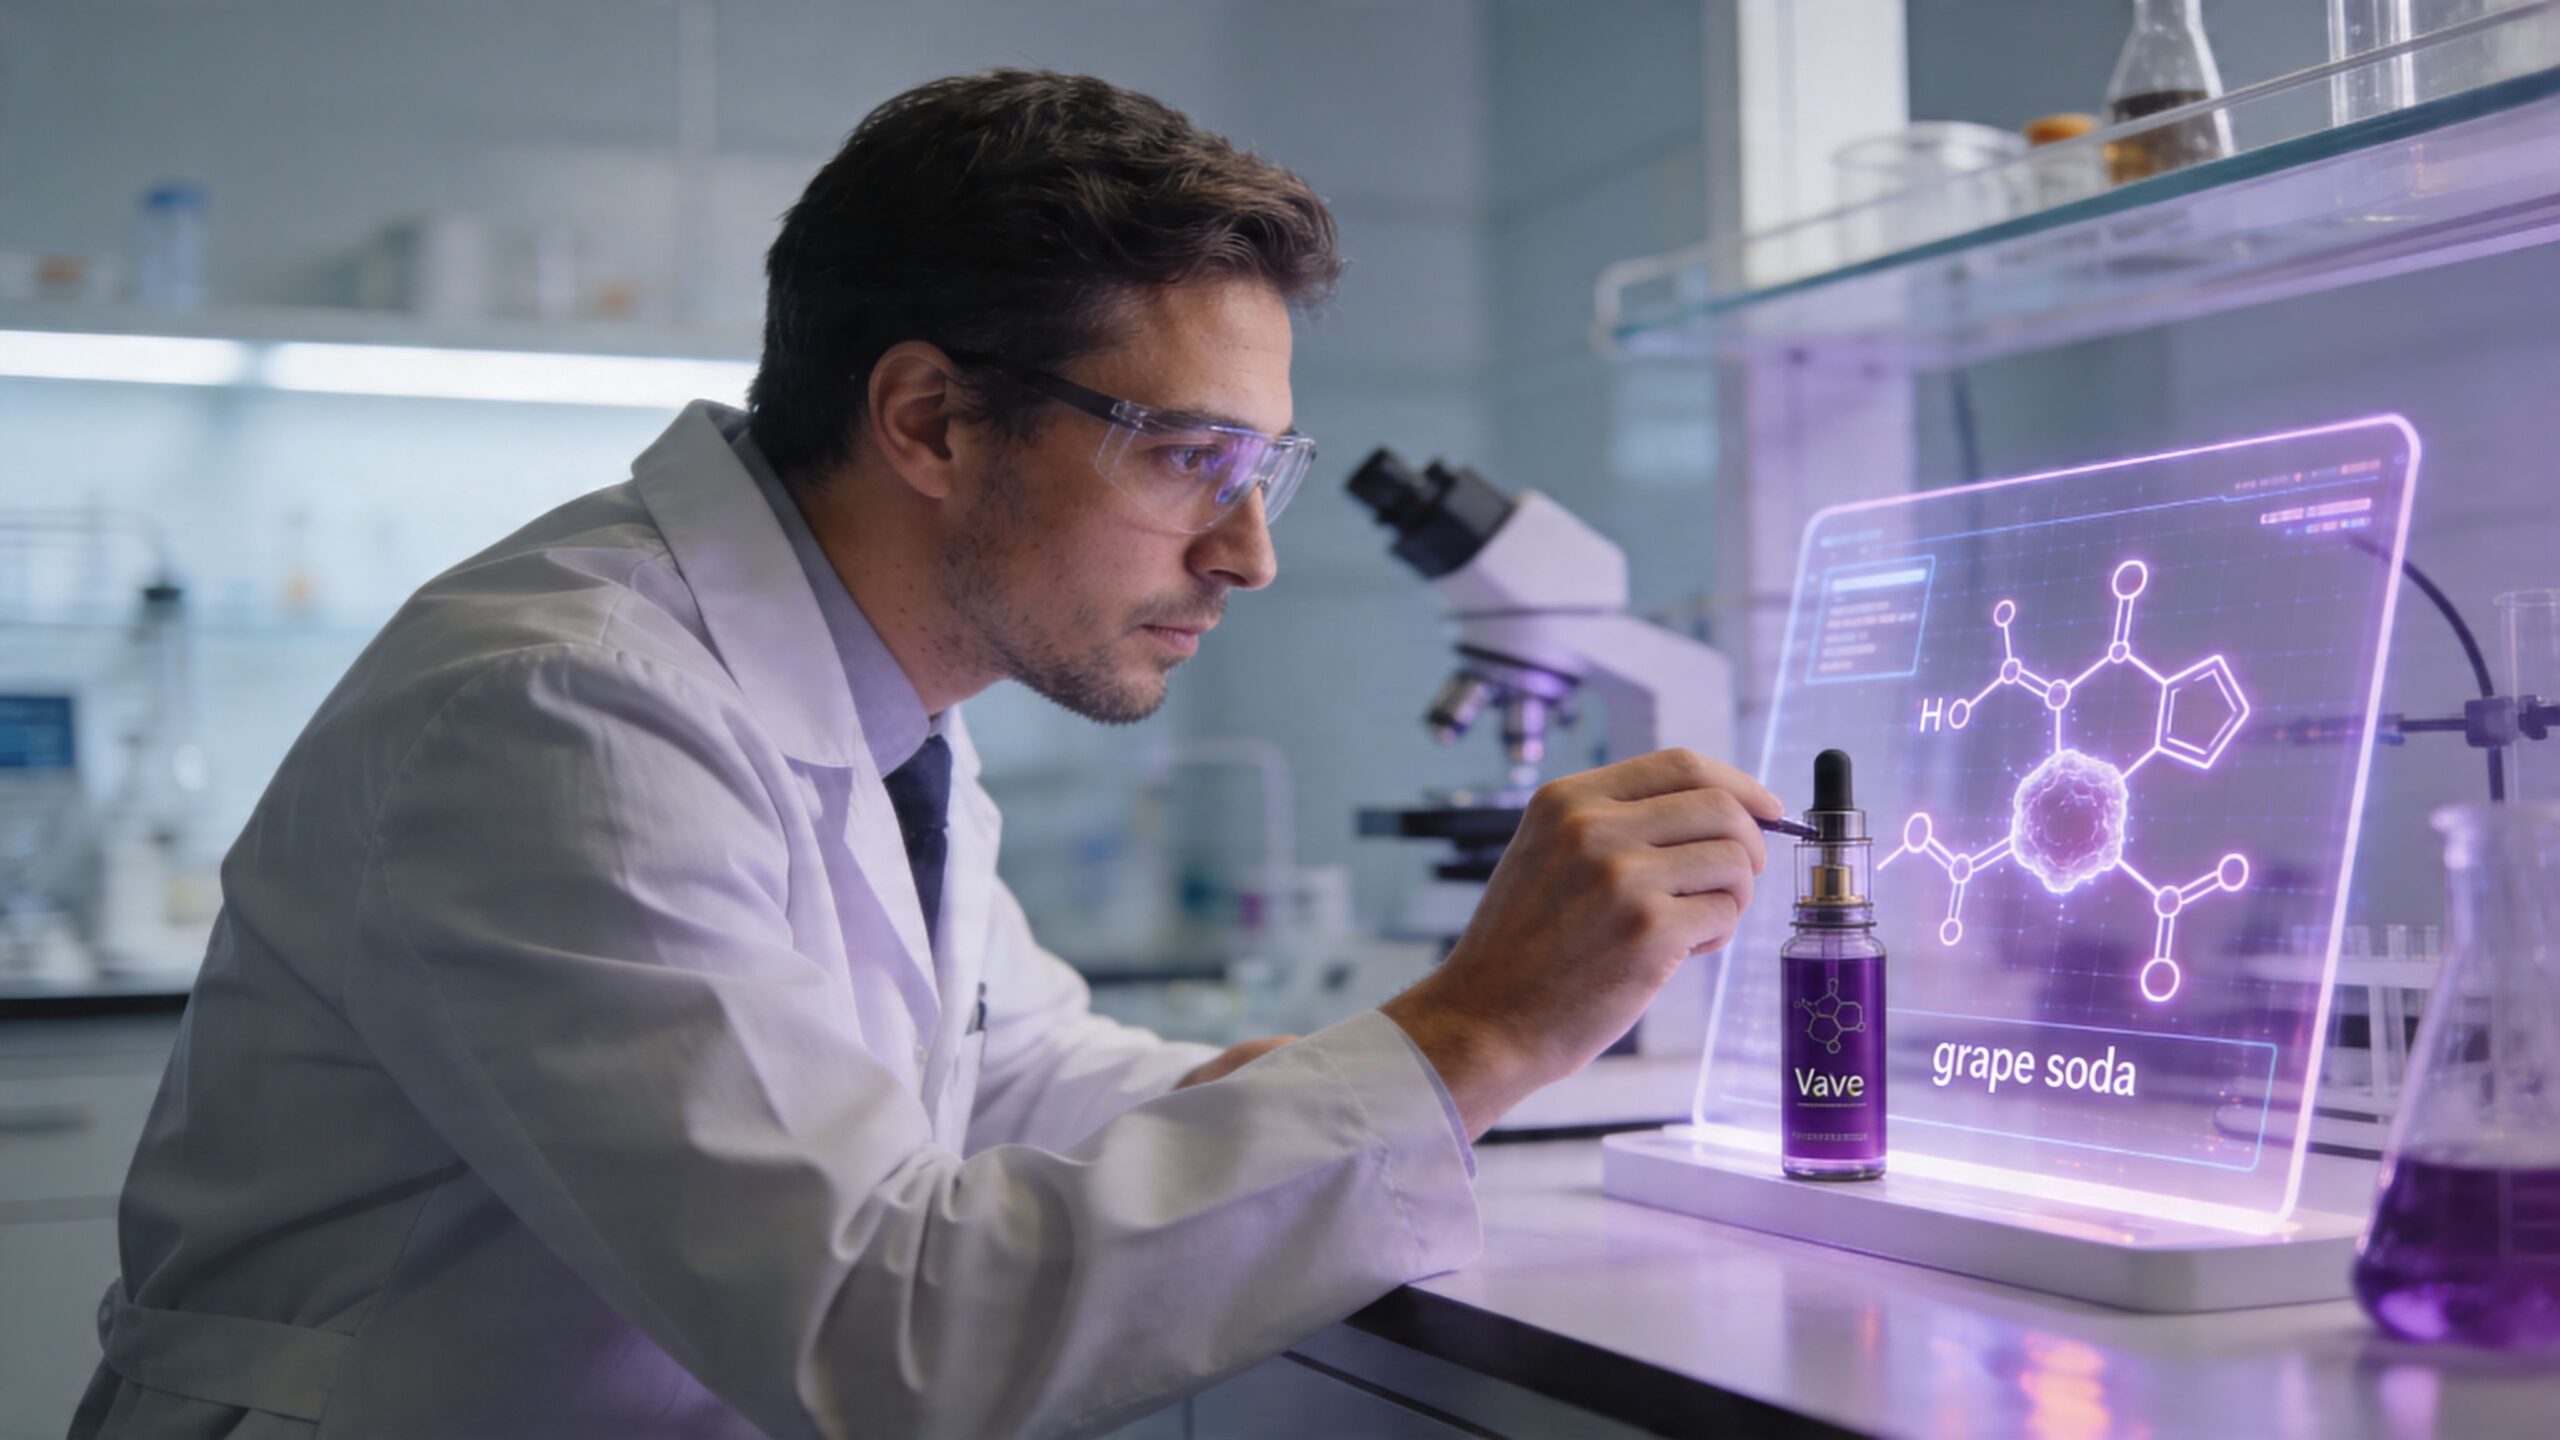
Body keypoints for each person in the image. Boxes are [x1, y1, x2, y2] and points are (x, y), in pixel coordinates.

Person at [71, 70, 1778, 1439]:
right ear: (930, 422)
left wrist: (1407, 1073)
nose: (1249, 551)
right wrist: (1463, 1037)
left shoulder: (877, 706)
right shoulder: (562, 709)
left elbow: (1010, 1073)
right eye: (1191, 456)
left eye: (1269, 466)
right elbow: (878, 1340)